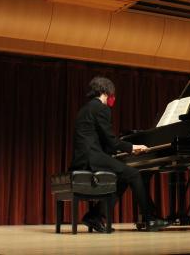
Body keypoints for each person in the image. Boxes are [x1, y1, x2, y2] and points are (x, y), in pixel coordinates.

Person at [70, 76, 170, 232]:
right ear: (106, 91)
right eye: (112, 94)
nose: (112, 98)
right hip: (92, 158)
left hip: (83, 157)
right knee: (134, 174)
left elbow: (101, 140)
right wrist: (132, 147)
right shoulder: (101, 108)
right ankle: (150, 219)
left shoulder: (85, 109)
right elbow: (111, 141)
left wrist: (116, 152)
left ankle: (94, 216)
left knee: (123, 178)